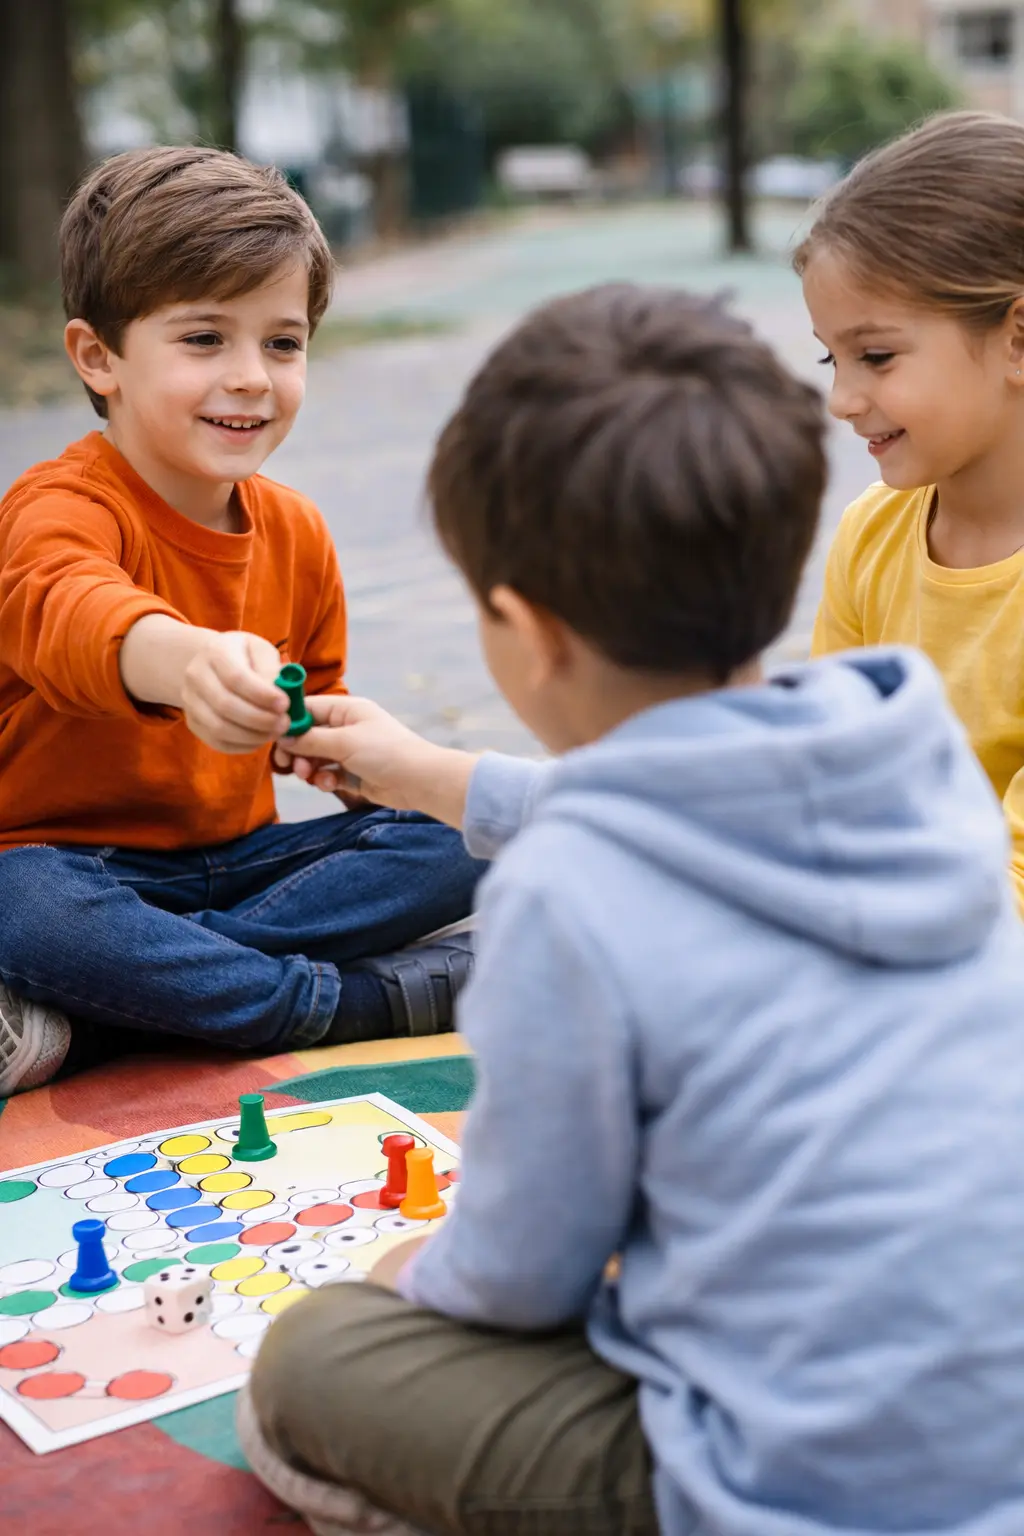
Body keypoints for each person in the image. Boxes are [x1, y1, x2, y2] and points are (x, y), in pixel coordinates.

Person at [238, 284, 1024, 1536]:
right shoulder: (902, 751)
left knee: (310, 1364)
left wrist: (412, 1279)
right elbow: (678, 825)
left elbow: (515, 1279)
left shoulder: (573, 894)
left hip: (802, 1488)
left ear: (525, 633)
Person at [0, 146, 482, 1099]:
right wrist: (185, 663)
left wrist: (348, 755)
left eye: (283, 342)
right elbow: (70, 607)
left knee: (473, 827)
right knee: (26, 919)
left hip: (248, 873)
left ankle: (115, 1010)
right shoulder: (56, 506)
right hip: (65, 869)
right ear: (99, 356)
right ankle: (341, 1004)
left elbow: (318, 709)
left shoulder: (295, 528)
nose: (253, 377)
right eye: (204, 340)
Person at [798, 109, 1024, 912]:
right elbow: (828, 772)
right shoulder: (872, 535)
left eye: (877, 357)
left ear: (1018, 339)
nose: (842, 400)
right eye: (833, 357)